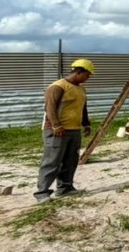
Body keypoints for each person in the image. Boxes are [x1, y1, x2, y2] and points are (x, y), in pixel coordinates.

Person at [35, 59, 95, 203]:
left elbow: (83, 107)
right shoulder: (57, 87)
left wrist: (86, 124)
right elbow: (50, 108)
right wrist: (56, 125)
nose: (88, 78)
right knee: (52, 160)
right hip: (57, 130)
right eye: (87, 75)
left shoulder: (80, 88)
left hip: (74, 129)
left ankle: (65, 188)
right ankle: (42, 193)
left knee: (70, 160)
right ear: (79, 72)